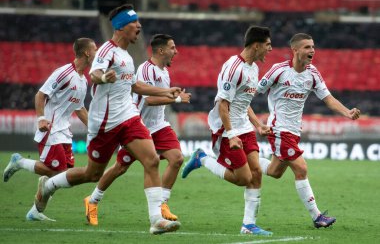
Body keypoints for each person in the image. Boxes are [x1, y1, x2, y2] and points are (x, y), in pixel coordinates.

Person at [32, 4, 182, 235]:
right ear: (122, 26)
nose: (139, 26)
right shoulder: (106, 51)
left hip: (129, 117)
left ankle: (155, 220)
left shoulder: (127, 57)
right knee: (92, 174)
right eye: (135, 22)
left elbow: (135, 86)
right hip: (104, 123)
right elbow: (94, 74)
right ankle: (49, 185)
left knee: (151, 160)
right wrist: (103, 78)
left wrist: (166, 92)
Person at [84, 33, 191, 226]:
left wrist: (171, 95)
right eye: (173, 48)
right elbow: (148, 100)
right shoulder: (146, 70)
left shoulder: (164, 71)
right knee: (120, 168)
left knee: (177, 159)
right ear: (161, 50)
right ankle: (92, 200)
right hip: (137, 126)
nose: (176, 51)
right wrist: (175, 98)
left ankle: (162, 205)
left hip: (159, 126)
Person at [256, 33, 361, 228]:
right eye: (306, 47)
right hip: (279, 129)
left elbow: (328, 98)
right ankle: (317, 216)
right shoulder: (278, 70)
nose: (312, 50)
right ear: (295, 50)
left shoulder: (312, 73)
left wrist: (347, 112)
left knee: (274, 172)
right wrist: (250, 119)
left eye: (312, 46)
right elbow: (253, 91)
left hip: (295, 131)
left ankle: (247, 158)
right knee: (301, 168)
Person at [181, 26, 273, 236]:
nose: (270, 49)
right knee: (243, 178)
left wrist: (257, 125)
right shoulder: (234, 68)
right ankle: (202, 158)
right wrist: (231, 135)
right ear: (256, 45)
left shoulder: (253, 68)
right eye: (268, 45)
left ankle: (248, 225)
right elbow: (223, 105)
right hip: (225, 129)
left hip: (245, 126)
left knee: (257, 172)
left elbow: (244, 101)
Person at [3, 37, 96, 221]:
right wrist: (41, 119)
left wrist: (94, 128)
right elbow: (41, 94)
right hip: (50, 129)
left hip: (64, 132)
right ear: (86, 52)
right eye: (94, 50)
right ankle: (19, 162)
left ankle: (35, 211)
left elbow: (79, 109)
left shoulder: (83, 81)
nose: (97, 53)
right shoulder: (63, 73)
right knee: (56, 174)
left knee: (65, 174)